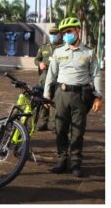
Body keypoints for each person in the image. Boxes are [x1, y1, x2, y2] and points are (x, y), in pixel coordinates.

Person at [43, 17, 103, 178]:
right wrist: (46, 96)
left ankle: (76, 163)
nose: (66, 35)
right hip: (61, 95)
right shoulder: (58, 52)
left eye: (69, 31)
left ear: (77, 31)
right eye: (64, 32)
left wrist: (98, 96)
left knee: (78, 132)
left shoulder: (89, 52)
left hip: (80, 96)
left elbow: (96, 75)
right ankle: (62, 160)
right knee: (60, 129)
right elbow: (51, 74)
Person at [34, 26, 63, 132]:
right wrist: (40, 63)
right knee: (43, 100)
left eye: (55, 34)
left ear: (60, 35)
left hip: (57, 78)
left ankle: (53, 124)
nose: (53, 36)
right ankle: (43, 122)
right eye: (51, 34)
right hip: (44, 77)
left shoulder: (63, 47)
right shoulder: (44, 47)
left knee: (54, 101)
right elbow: (36, 60)